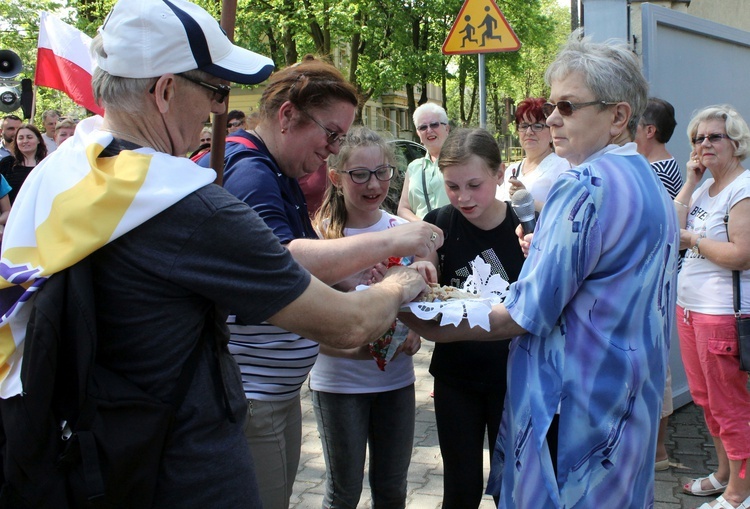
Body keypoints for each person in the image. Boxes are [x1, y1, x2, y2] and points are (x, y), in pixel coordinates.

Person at [0, 0, 429, 507]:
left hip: (82, 448)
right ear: (164, 91)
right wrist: (403, 283)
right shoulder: (184, 206)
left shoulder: (64, 170)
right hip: (178, 467)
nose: (218, 109)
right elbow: (347, 324)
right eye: (214, 91)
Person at [401, 32, 679, 509]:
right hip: (628, 406)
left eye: (568, 107)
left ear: (618, 116)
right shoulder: (649, 182)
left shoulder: (583, 185)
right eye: (553, 105)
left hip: (577, 417)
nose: (551, 118)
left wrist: (417, 312)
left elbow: (523, 315)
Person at [199, 56, 443, 509]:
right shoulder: (253, 172)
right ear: (288, 115)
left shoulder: (275, 172)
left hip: (273, 393)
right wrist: (394, 248)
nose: (332, 147)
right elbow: (283, 259)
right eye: (331, 134)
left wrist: (356, 286)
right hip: (257, 396)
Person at [309, 126, 427, 508]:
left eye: (382, 172)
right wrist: (355, 347)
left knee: (392, 490)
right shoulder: (319, 239)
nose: (373, 183)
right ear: (336, 177)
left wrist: (414, 330)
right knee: (343, 493)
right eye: (359, 173)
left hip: (395, 382)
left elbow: (419, 304)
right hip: (338, 386)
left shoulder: (401, 232)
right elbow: (306, 324)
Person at [415, 128, 525, 508]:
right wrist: (419, 273)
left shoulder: (525, 230)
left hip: (515, 378)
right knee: (460, 489)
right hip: (456, 377)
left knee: (513, 487)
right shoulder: (440, 223)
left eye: (474, 185)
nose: (463, 197)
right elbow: (424, 274)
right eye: (452, 185)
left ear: (499, 174)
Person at [674, 104, 750, 509]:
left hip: (721, 315)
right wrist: (690, 181)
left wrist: (695, 242)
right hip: (690, 310)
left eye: (713, 137)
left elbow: (742, 254)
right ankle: (723, 474)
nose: (704, 144)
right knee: (706, 401)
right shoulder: (705, 186)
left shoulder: (743, 188)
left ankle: (740, 492)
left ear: (736, 143)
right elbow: (672, 225)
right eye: (697, 138)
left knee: (729, 406)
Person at [634, 96, 683, 472]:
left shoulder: (657, 172)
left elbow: (658, 231)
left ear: (649, 131)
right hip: (656, 280)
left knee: (655, 366)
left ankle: (658, 452)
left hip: (654, 283)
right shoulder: (661, 167)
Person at [497, 97, 569, 211]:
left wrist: (527, 200)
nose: (529, 132)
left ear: (552, 131)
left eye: (537, 126)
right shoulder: (511, 170)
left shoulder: (564, 167)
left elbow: (565, 214)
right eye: (524, 126)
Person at [397, 102, 451, 221]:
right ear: (418, 133)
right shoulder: (413, 167)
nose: (429, 130)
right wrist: (423, 226)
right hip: (423, 236)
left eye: (434, 125)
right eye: (423, 127)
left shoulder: (461, 162)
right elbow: (403, 209)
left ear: (446, 128)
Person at [0, 124, 47, 204]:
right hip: (11, 213)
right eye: (21, 138)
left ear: (38, 140)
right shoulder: (6, 163)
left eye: (29, 137)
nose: (25, 141)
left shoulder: (46, 164)